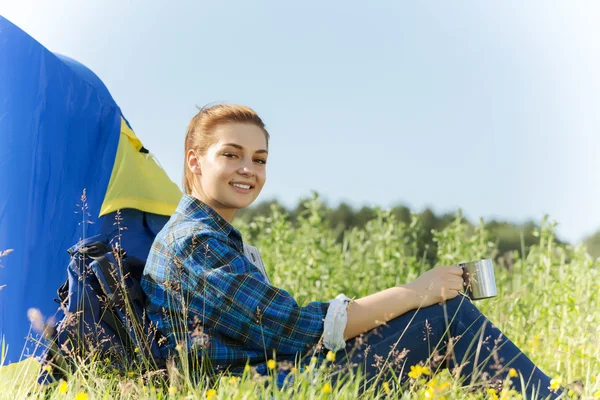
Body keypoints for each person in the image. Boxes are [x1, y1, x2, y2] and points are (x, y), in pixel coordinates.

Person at [141, 104, 563, 399]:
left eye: (259, 158)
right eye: (231, 155)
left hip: (265, 379)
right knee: (447, 317)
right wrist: (415, 292)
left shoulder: (210, 237)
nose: (249, 169)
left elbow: (285, 333)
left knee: (431, 320)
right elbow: (296, 330)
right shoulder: (194, 242)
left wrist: (406, 307)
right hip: (247, 390)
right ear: (194, 162)